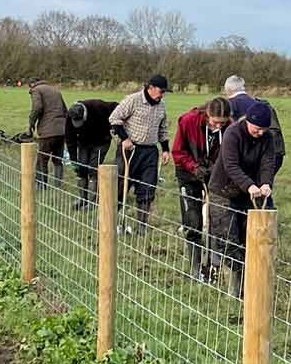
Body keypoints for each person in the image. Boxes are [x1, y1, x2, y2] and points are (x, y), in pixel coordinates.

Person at [208, 96, 279, 298]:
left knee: (250, 239)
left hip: (249, 193)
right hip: (223, 191)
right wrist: (249, 185)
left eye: (264, 129)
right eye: (257, 128)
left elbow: (267, 163)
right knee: (229, 239)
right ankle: (233, 290)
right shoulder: (233, 134)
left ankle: (252, 287)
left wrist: (266, 183)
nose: (260, 133)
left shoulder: (267, 138)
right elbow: (231, 165)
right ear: (248, 121)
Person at [172, 96, 232, 284]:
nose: (218, 126)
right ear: (207, 115)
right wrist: (194, 167)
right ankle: (196, 269)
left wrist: (215, 169)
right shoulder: (188, 121)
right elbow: (178, 152)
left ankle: (214, 267)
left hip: (215, 177)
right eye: (215, 122)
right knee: (193, 221)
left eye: (222, 123)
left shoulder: (230, 127)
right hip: (188, 175)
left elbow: (229, 154)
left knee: (217, 221)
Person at [108, 73, 171, 236]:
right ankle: (111, 220)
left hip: (150, 152)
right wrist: (125, 139)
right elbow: (114, 119)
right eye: (161, 91)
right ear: (151, 88)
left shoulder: (161, 106)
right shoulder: (133, 100)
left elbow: (163, 129)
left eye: (164, 92)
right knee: (121, 186)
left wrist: (165, 149)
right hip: (130, 150)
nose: (162, 95)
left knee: (147, 188)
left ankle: (142, 225)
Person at [220, 74, 286, 174]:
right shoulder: (263, 105)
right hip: (276, 154)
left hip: (254, 157)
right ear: (243, 88)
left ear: (227, 90)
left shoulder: (228, 106)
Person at [65, 98, 114, 210]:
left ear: (84, 115)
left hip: (101, 141)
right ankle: (83, 199)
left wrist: (115, 125)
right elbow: (70, 140)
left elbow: (117, 107)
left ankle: (92, 202)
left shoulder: (98, 106)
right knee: (81, 169)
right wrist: (74, 161)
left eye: (80, 121)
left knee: (93, 169)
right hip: (84, 143)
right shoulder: (70, 116)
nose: (78, 124)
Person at [25, 76, 68, 189]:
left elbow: (37, 107)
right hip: (61, 130)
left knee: (42, 159)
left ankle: (41, 185)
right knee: (58, 160)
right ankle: (58, 186)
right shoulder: (55, 90)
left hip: (47, 131)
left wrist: (31, 124)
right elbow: (65, 110)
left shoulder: (36, 90)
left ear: (31, 85)